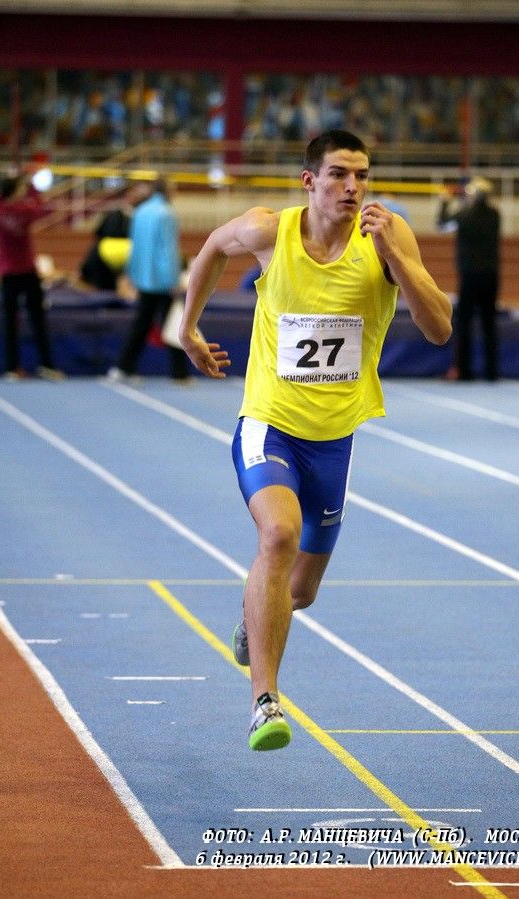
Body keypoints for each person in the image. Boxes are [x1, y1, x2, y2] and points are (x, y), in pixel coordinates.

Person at [180, 129, 452, 752]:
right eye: (338, 174)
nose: (352, 187)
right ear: (310, 181)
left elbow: (439, 329)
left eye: (362, 175)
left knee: (299, 590)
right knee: (278, 534)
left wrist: (398, 259)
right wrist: (188, 328)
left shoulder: (389, 236)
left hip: (334, 441)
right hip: (268, 422)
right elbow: (213, 248)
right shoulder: (268, 230)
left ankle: (255, 616)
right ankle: (265, 702)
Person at [107, 178, 190, 382]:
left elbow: (134, 246)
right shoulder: (166, 213)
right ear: (167, 191)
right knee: (174, 325)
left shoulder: (140, 211)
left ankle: (122, 367)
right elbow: (168, 249)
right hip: (163, 280)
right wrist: (174, 279)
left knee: (142, 324)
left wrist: (132, 274)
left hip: (144, 278)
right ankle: (180, 373)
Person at [0, 173, 64, 381]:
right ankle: (46, 365)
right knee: (37, 320)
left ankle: (12, 367)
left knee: (10, 322)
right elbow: (41, 206)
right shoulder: (24, 210)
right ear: (15, 190)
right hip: (26, 271)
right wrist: (32, 186)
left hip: (8, 272)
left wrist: (9, 181)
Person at [437, 177, 501, 381]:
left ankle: (464, 371)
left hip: (469, 275)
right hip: (491, 274)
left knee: (464, 323)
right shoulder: (495, 215)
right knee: (489, 323)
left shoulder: (464, 215)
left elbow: (442, 225)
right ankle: (491, 372)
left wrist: (445, 202)